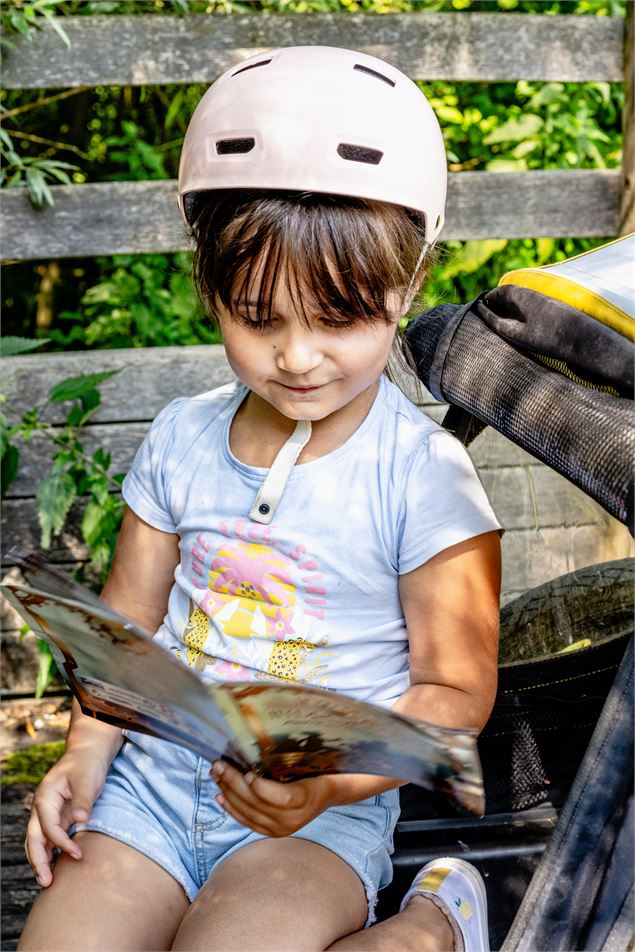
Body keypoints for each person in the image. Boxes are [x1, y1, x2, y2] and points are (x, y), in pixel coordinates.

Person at [19, 46, 502, 952]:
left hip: (321, 818)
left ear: (405, 286)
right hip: (151, 796)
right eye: (258, 316)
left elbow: (455, 694)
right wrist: (84, 760)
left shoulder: (422, 473)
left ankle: (430, 925)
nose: (297, 357)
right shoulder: (180, 440)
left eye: (337, 317)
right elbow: (121, 632)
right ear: (212, 291)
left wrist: (326, 782)